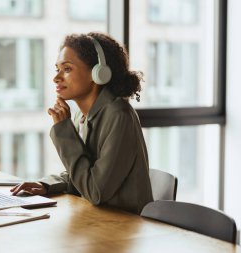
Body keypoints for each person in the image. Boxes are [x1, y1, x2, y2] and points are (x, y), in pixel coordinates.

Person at [11, 32, 153, 214]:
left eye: (67, 69)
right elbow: (83, 173)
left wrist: (63, 131)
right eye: (57, 69)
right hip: (98, 221)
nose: (56, 78)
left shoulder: (119, 115)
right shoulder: (81, 116)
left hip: (125, 226)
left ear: (98, 73)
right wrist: (45, 185)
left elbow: (95, 191)